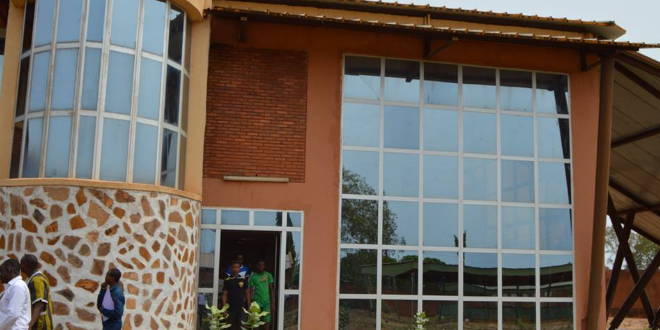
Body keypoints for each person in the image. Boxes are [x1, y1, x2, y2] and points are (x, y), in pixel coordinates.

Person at [20, 255, 52, 330]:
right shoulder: (30, 278)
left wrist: (30, 325)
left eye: (20, 263)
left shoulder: (37, 280)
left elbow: (39, 305)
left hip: (40, 326)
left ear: (25, 265)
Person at [0, 258, 31, 330]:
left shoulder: (18, 286)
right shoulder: (13, 286)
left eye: (1, 272)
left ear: (8, 270)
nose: (0, 275)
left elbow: (13, 314)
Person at [222, 260, 251, 330]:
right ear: (231, 268)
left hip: (241, 308)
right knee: (230, 327)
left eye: (237, 267)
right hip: (230, 308)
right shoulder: (227, 280)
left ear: (239, 269)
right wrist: (224, 308)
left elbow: (247, 294)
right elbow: (224, 295)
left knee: (242, 327)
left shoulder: (243, 280)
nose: (235, 269)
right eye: (233, 267)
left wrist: (249, 307)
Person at [248, 259, 275, 330]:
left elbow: (271, 290)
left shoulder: (268, 275)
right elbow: (251, 291)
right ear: (257, 266)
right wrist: (250, 304)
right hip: (257, 302)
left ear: (264, 266)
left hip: (267, 302)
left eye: (262, 265)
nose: (261, 266)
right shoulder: (253, 277)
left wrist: (273, 303)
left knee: (267, 320)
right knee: (256, 321)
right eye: (259, 265)